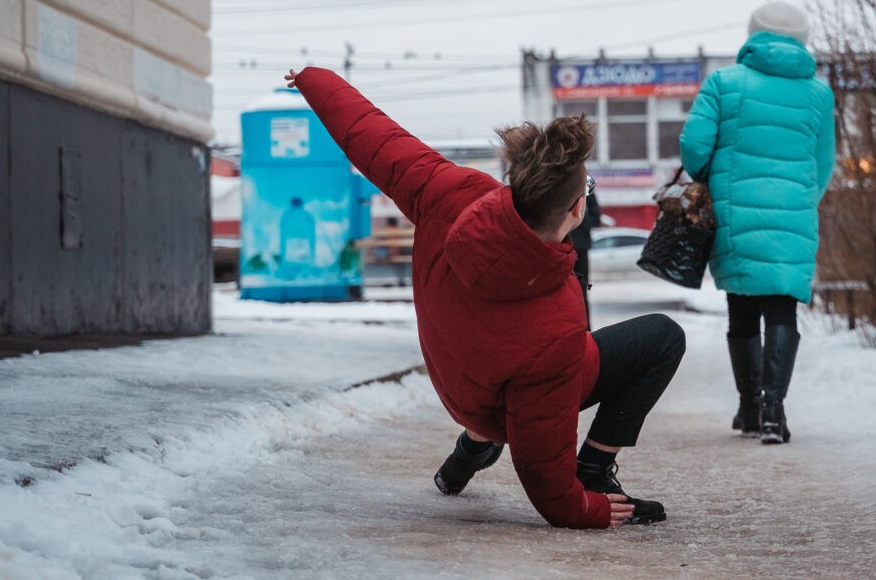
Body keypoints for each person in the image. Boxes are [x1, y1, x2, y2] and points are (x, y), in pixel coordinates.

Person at [285, 67, 684, 528]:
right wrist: (582, 507)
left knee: (510, 364)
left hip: (459, 381)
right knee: (663, 337)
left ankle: (469, 452)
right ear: (577, 209)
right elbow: (541, 453)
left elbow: (373, 136)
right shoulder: (554, 319)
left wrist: (315, 80)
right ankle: (594, 468)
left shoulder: (453, 192)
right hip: (498, 400)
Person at [679, 1, 836, 444]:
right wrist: (802, 200)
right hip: (795, 212)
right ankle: (773, 412)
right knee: (782, 305)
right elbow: (825, 163)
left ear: (753, 34)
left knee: (742, 307)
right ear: (802, 38)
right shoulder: (819, 95)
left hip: (734, 209)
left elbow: (693, 145)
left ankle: (749, 409)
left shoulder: (724, 83)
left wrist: (712, 179)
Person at [568, 190, 602, 327]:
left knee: (577, 290)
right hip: (576, 245)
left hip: (575, 247)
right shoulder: (582, 185)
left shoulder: (583, 186)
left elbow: (596, 217)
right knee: (578, 290)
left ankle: (582, 328)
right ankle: (582, 328)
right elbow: (596, 217)